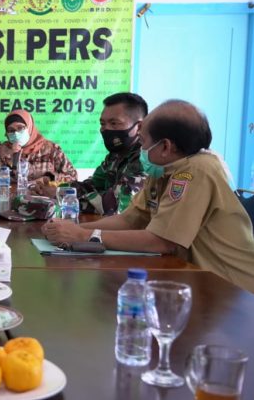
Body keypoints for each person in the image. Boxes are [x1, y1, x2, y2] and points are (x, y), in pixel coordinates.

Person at [42, 100, 254, 293]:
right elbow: (129, 220)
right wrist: (68, 229)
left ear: (165, 146)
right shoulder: (161, 169)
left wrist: (82, 236)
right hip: (195, 280)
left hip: (232, 291)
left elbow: (161, 242)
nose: (141, 149)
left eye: (143, 142)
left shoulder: (196, 171)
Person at [33, 92, 148, 215]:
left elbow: (116, 205)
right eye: (103, 124)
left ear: (139, 127)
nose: (106, 129)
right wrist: (56, 190)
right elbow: (92, 185)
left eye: (114, 123)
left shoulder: (146, 158)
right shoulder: (115, 155)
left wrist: (61, 196)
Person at [0, 109, 77, 184]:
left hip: (44, 197)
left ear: (30, 127)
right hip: (11, 197)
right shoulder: (2, 150)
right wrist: (10, 156)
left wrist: (49, 179)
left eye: (20, 128)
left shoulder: (51, 149)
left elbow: (73, 177)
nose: (16, 133)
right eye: (11, 130)